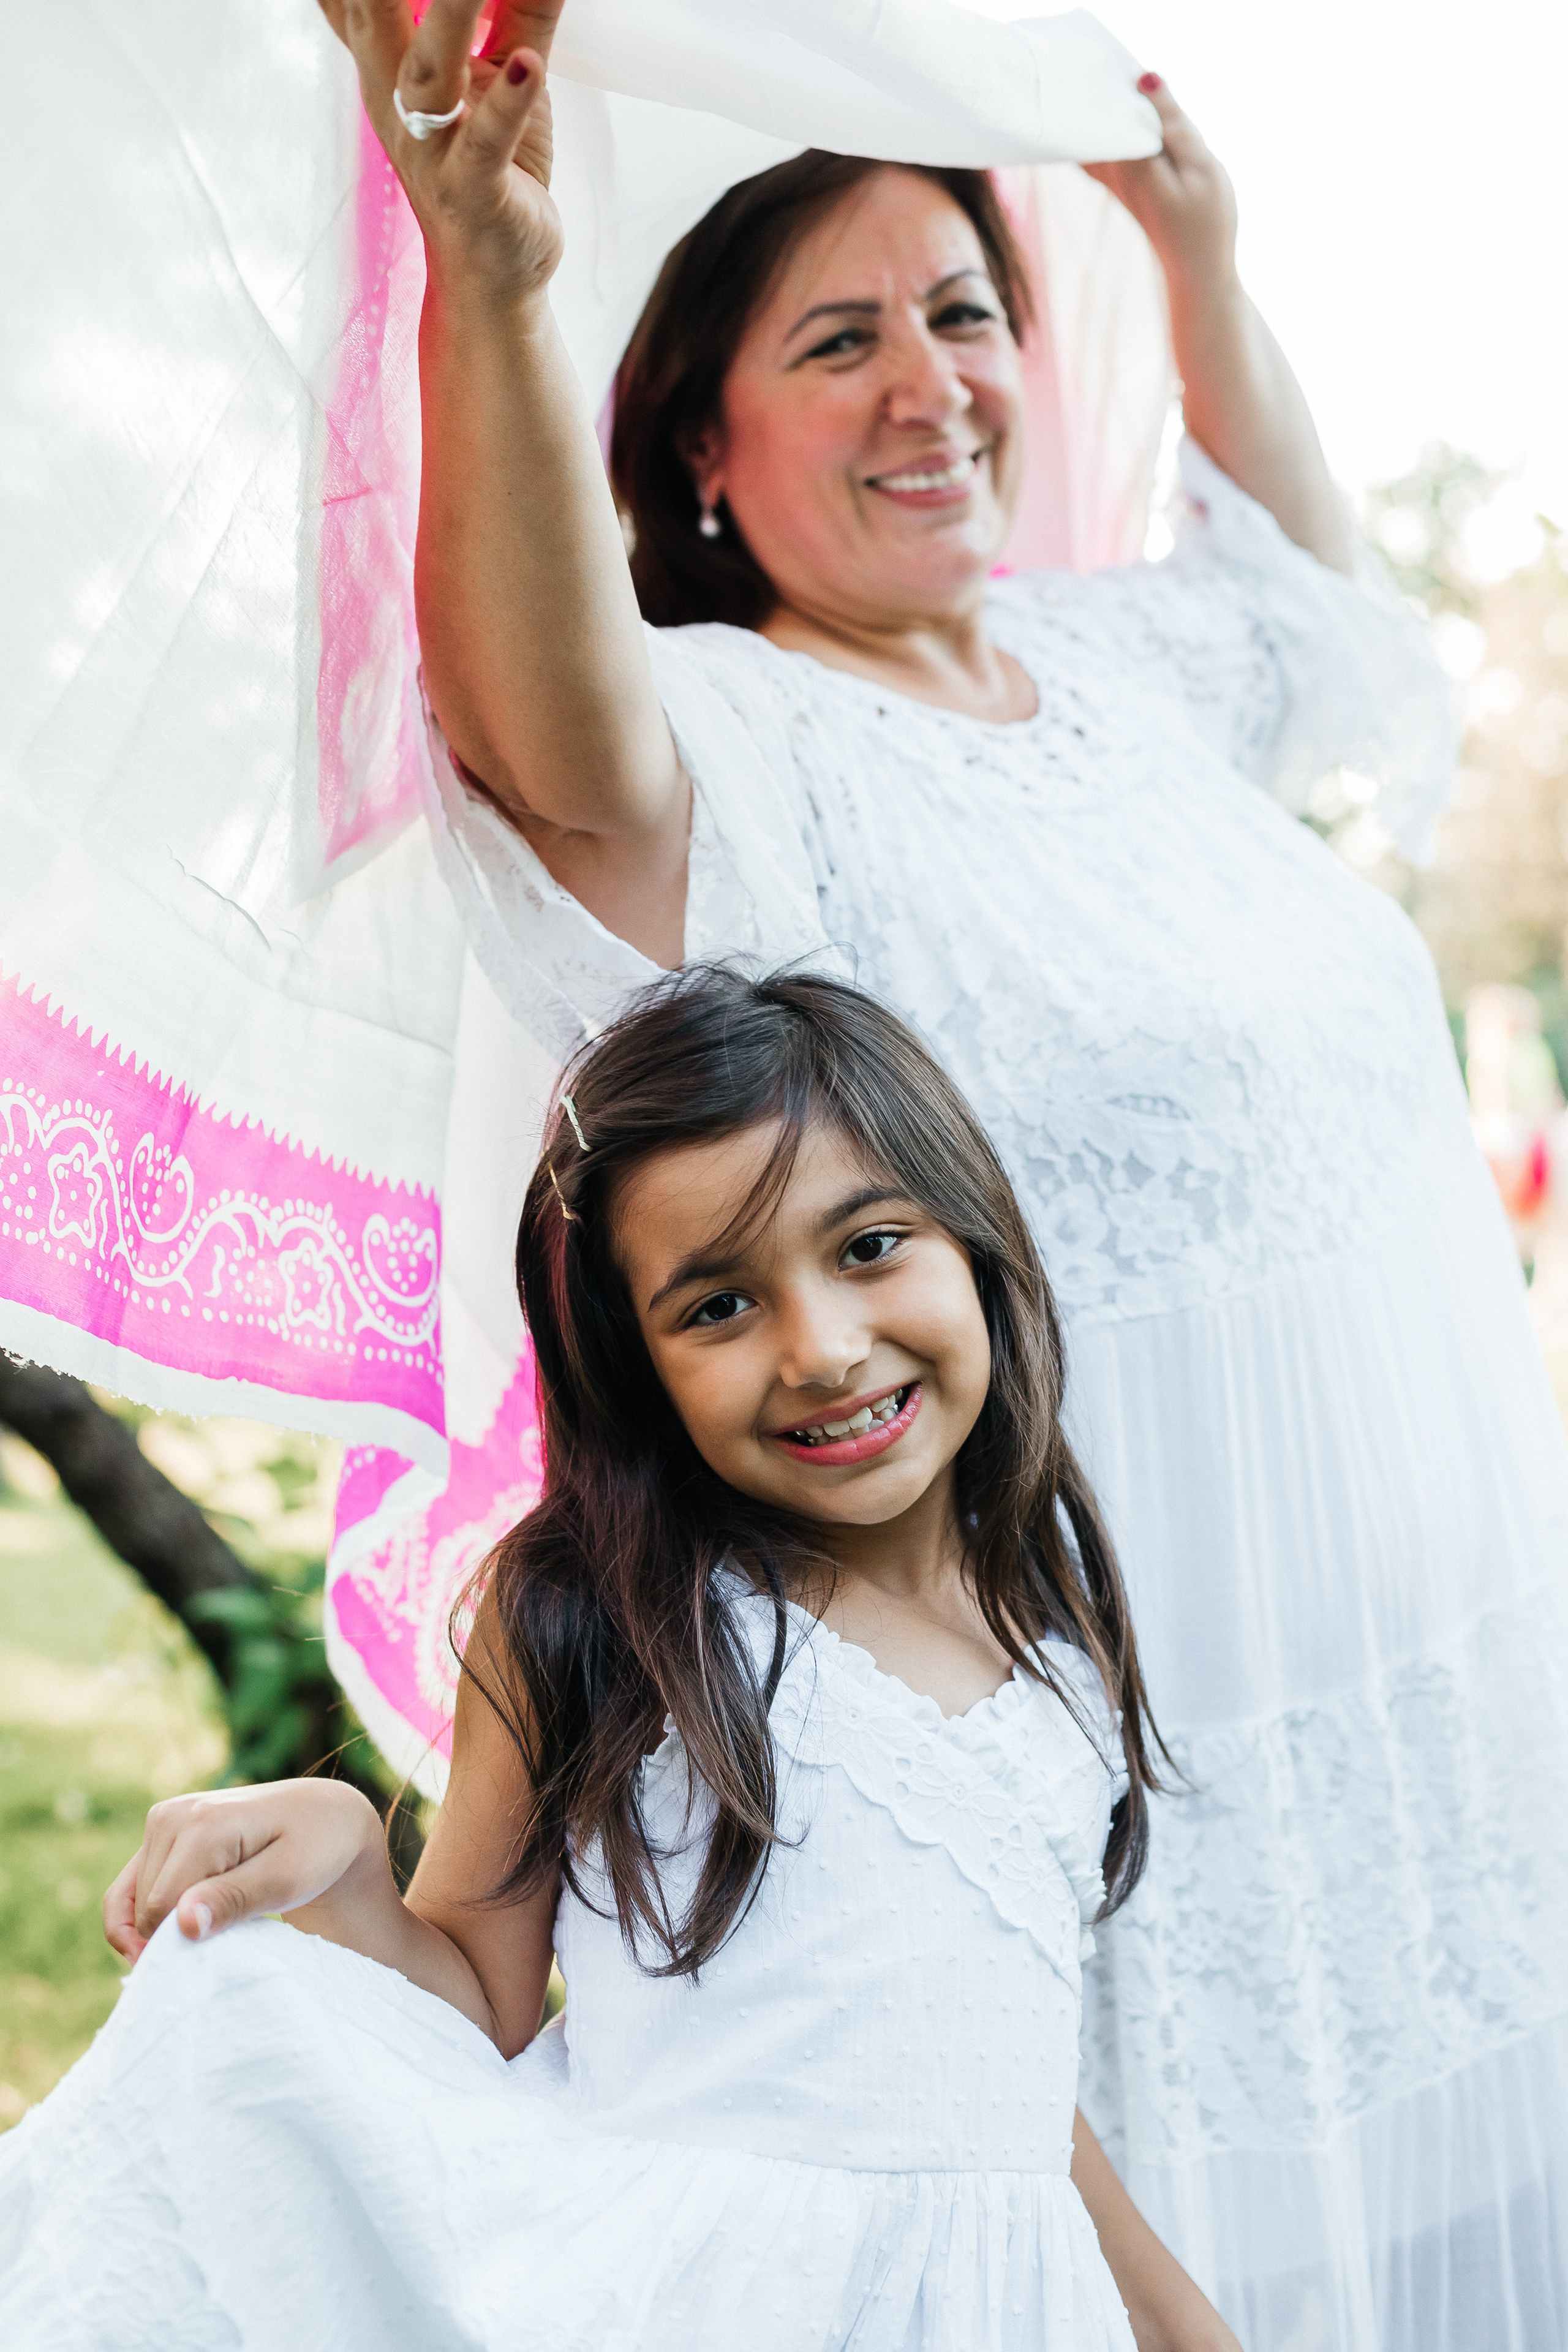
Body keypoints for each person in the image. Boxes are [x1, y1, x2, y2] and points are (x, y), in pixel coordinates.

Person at [313, 4, 1568, 2345]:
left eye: (966, 312)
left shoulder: (1133, 671)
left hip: (1448, 1690)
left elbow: (1321, 600)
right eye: (842, 339)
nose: (933, 383)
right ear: (703, 437)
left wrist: (1192, 249)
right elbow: (549, 735)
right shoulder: (751, 731)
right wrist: (487, 282)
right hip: (1140, 1727)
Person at [0, 967, 1243, 2352]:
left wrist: (1179, 2325)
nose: (823, 1350)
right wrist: (353, 1859)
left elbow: (1001, 2073)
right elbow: (483, 1996)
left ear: (973, 1240)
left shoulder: (1047, 1625)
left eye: (868, 1245)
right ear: (634, 1368)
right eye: (716, 1308)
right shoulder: (609, 1621)